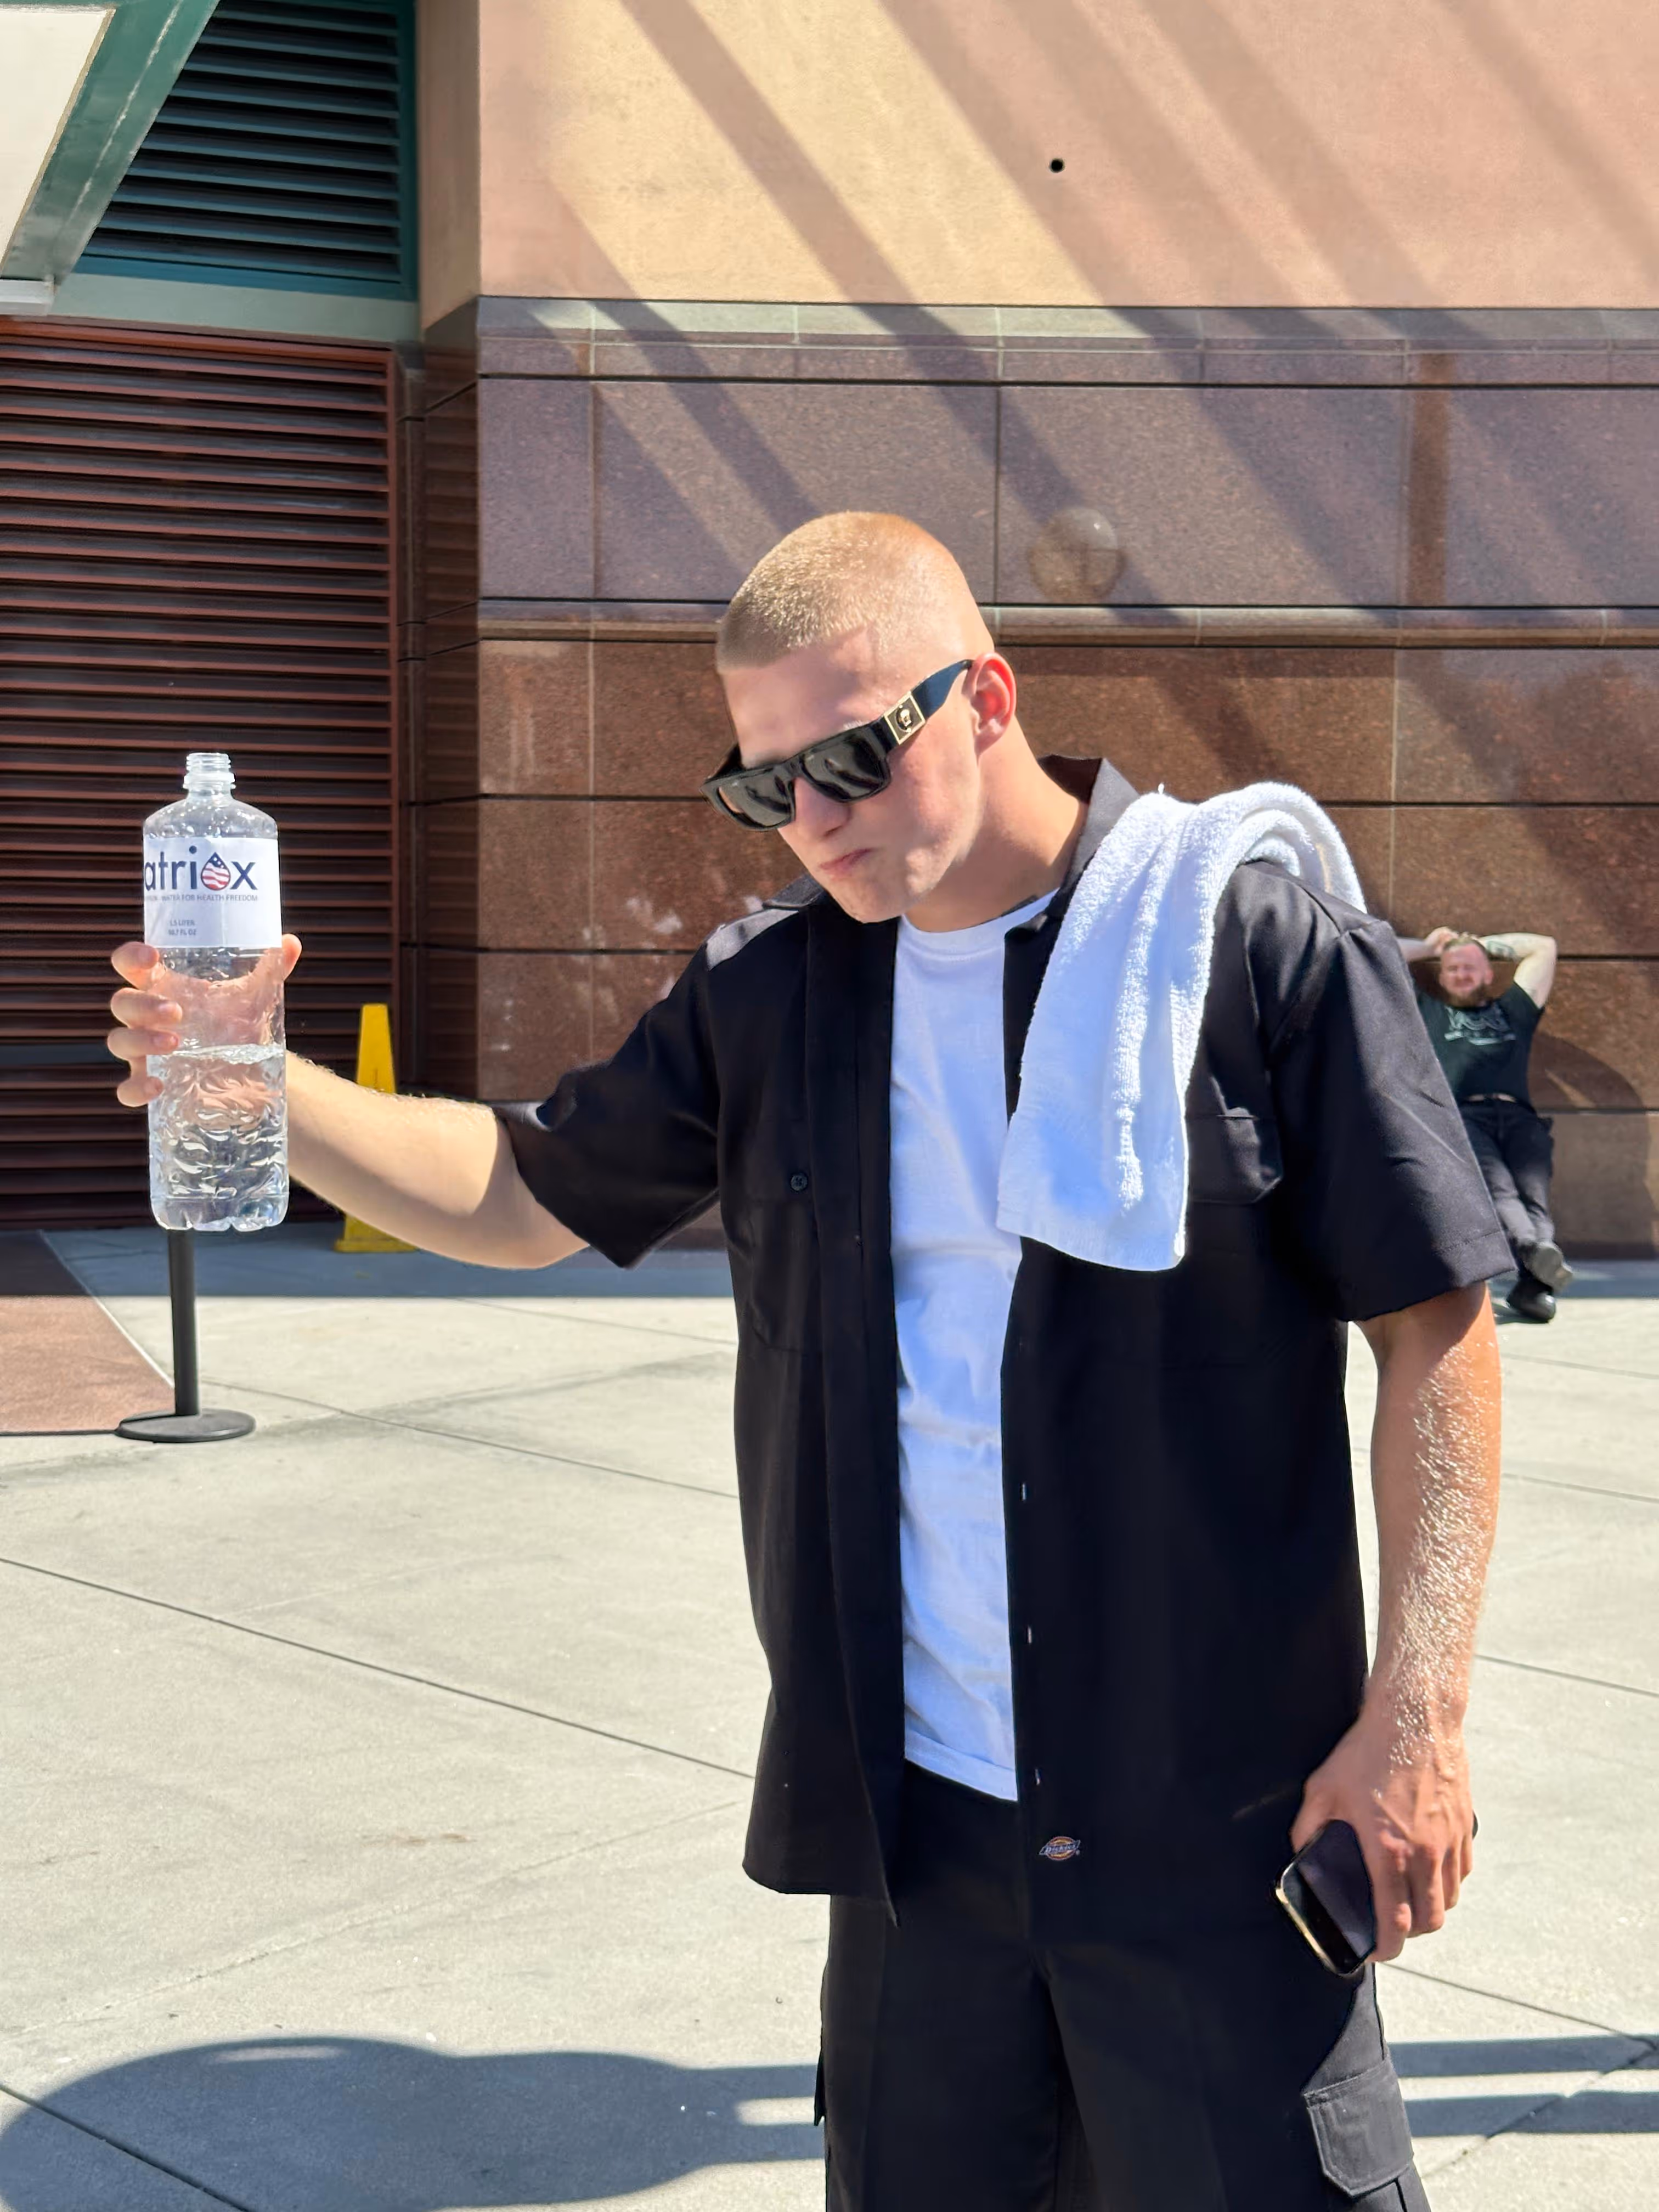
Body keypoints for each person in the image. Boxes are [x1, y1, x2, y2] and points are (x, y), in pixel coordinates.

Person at [109, 514, 1510, 2212]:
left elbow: (1438, 1331)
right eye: (764, 785)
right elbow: (525, 1193)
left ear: (984, 695)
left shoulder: (1248, 953)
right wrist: (253, 1076)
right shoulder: (771, 999)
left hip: (1219, 1834)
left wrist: (1416, 1712)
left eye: (851, 756)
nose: (814, 819)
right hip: (920, 1858)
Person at [1395, 924, 1569, 1323]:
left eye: (1471, 967)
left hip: (1520, 1116)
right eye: (1453, 968)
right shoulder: (1427, 1013)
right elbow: (1376, 950)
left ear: (1489, 973)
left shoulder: (1515, 1010)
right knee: (1500, 1191)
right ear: (1440, 976)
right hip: (1464, 1117)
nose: (1462, 974)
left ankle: (1534, 1284)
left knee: (1534, 1197)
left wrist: (1478, 945)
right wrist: (1428, 947)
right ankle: (1534, 1251)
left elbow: (1545, 947)